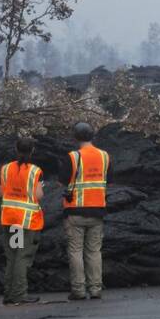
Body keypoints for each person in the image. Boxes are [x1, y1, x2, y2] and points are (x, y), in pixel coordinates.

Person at [62, 122, 111, 300]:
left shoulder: (73, 157)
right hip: (97, 210)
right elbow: (107, 179)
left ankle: (78, 290)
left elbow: (63, 181)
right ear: (93, 135)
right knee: (94, 251)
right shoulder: (104, 156)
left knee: (75, 251)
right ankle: (96, 288)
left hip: (75, 211)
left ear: (75, 137)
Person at [0, 136, 45, 306]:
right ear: (32, 151)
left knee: (12, 255)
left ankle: (9, 294)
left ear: (16, 150)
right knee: (22, 256)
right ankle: (19, 294)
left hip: (10, 219)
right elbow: (38, 195)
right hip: (26, 221)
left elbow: (1, 193)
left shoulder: (5, 169)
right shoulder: (35, 171)